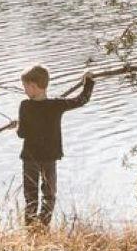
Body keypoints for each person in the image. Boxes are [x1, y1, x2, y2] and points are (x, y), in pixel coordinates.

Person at [15, 64, 94, 229]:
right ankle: (43, 227)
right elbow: (81, 100)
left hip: (30, 158)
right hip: (49, 158)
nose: (24, 90)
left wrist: (18, 125)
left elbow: (21, 134)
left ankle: (30, 228)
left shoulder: (25, 106)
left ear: (33, 86)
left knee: (30, 196)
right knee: (49, 195)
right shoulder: (57, 105)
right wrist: (88, 82)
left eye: (25, 87)